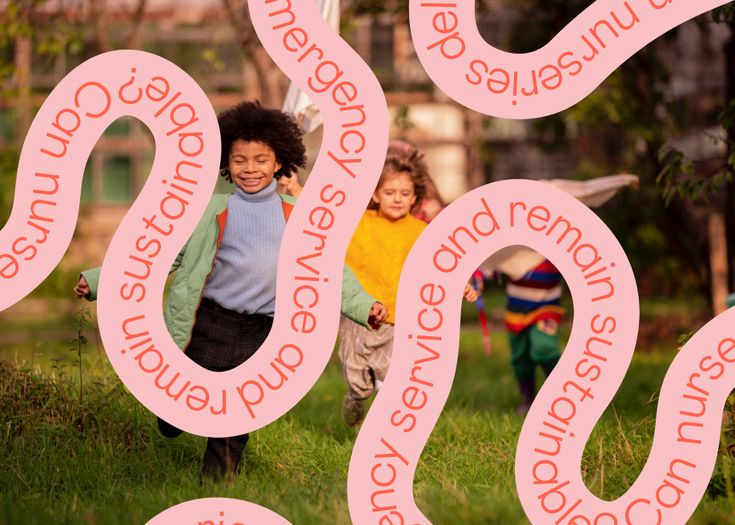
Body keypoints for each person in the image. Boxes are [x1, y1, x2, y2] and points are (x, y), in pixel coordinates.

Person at [74, 101, 386, 480]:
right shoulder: (210, 209)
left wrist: (364, 306)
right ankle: (172, 414)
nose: (250, 169)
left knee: (235, 406)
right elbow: (157, 255)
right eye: (240, 160)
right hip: (208, 322)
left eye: (260, 160)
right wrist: (97, 280)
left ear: (278, 162)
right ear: (226, 162)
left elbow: (331, 270)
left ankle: (216, 479)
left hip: (261, 331)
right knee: (180, 394)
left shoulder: (296, 217)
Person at [338, 145, 477, 426]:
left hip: (400, 317)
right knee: (356, 372)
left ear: (415, 196)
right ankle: (355, 395)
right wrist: (294, 188)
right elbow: (322, 220)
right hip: (360, 315)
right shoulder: (357, 222)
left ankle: (386, 422)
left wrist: (462, 284)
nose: (397, 199)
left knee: (392, 376)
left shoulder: (421, 231)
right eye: (390, 193)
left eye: (405, 194)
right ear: (376, 194)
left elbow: (443, 263)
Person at [503, 259, 565, 415]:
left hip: (546, 308)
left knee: (545, 348)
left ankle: (561, 393)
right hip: (516, 312)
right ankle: (528, 398)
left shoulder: (558, 246)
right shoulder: (513, 249)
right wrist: (477, 279)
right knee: (520, 357)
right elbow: (488, 264)